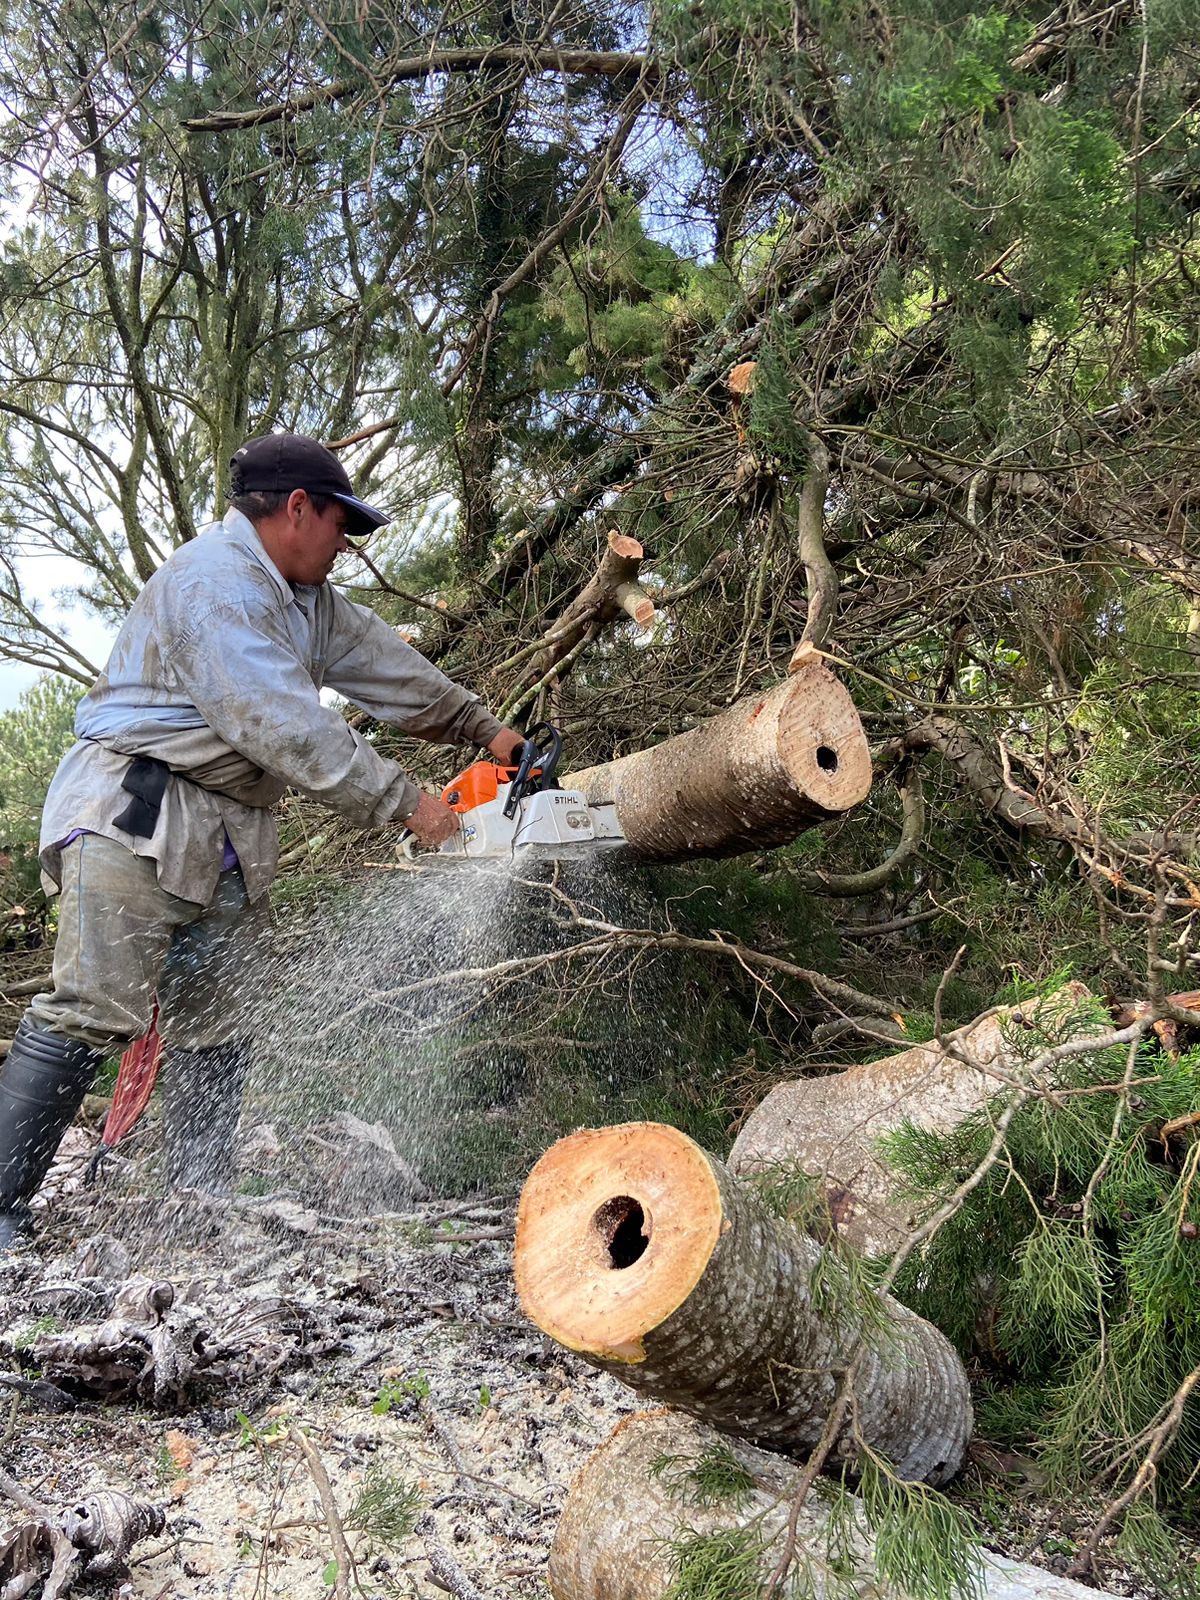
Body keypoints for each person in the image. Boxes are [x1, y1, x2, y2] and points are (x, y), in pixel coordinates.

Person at [0, 433, 524, 1248]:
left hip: (227, 836)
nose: (347, 544)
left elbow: (388, 667)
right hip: (134, 813)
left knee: (219, 1022)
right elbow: (282, 725)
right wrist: (407, 803)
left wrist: (487, 731)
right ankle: (2, 1205)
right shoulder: (214, 585)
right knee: (91, 1009)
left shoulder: (307, 599)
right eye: (340, 524)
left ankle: (196, 1204)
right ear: (297, 508)